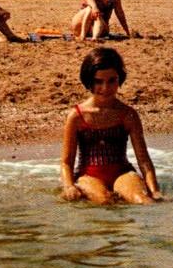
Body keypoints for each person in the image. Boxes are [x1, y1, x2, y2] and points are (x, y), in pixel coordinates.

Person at [60, 47, 162, 204]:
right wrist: (69, 186)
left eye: (111, 81)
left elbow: (144, 160)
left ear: (119, 79)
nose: (105, 88)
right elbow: (66, 162)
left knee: (143, 200)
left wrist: (155, 191)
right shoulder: (76, 116)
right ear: (89, 81)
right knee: (104, 201)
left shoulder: (128, 115)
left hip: (123, 174)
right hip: (88, 176)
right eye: (98, 82)